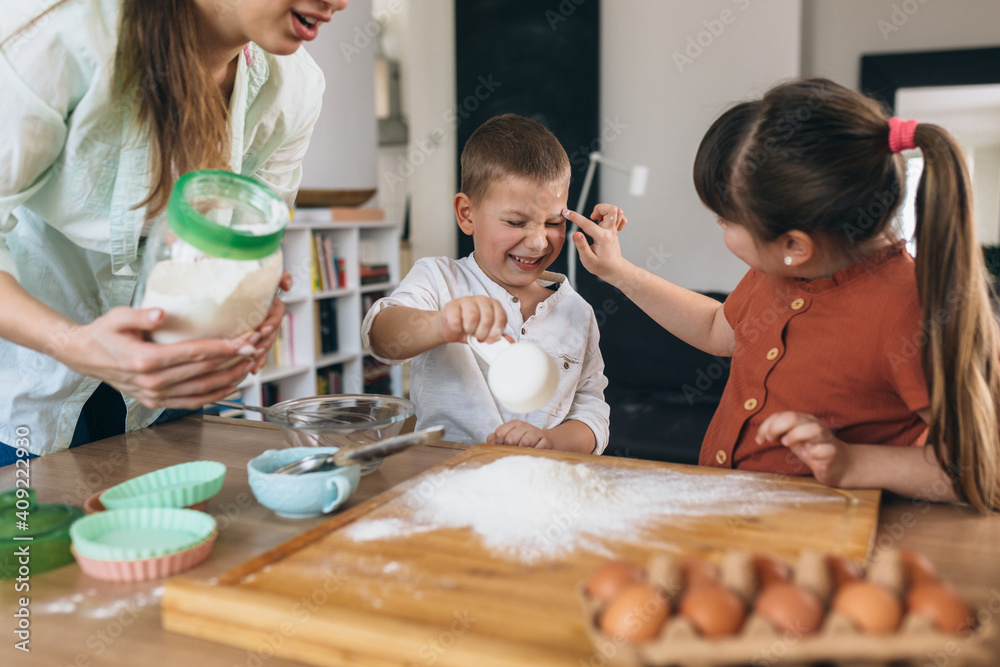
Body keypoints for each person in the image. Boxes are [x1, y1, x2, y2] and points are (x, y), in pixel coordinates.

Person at [567, 78, 1000, 512]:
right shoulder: (781, 269)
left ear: (795, 245)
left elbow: (983, 468)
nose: (720, 227)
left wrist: (853, 463)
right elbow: (719, 329)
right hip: (728, 515)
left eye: (726, 220)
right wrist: (619, 272)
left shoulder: (912, 311)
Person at [0, 0, 347, 463]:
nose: (339, 2)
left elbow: (250, 243)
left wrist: (256, 303)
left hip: (167, 394)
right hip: (27, 382)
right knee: (28, 535)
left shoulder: (296, 88)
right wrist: (76, 344)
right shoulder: (59, 37)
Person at [362, 114, 615, 454]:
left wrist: (552, 441)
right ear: (467, 214)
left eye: (554, 223)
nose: (539, 242)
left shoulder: (577, 313)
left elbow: (593, 412)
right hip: (446, 482)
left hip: (540, 487)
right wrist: (441, 324)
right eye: (515, 221)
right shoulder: (439, 279)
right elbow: (381, 336)